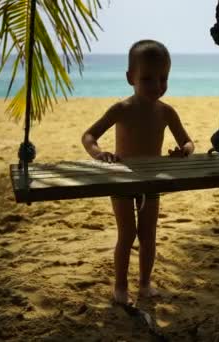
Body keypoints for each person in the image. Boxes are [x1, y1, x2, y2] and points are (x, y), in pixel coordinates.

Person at [81, 40, 195, 305]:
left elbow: (188, 142)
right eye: (147, 79)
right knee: (127, 233)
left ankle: (144, 283)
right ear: (130, 77)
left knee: (148, 234)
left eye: (163, 78)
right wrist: (99, 154)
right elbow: (89, 135)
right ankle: (120, 286)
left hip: (151, 181)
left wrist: (184, 151)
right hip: (122, 180)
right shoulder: (121, 109)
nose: (157, 86)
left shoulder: (166, 112)